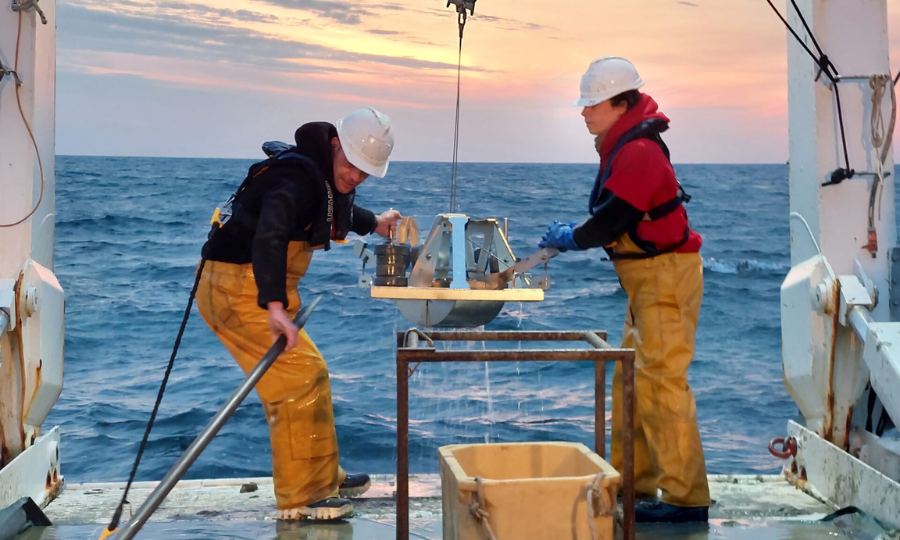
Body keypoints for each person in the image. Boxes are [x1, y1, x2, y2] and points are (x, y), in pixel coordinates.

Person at [196, 107, 402, 521]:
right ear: (335, 145)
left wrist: (376, 223)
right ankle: (303, 497)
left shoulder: (323, 180)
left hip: (261, 289)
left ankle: (323, 475)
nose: (355, 178)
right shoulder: (293, 178)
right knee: (297, 377)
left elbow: (328, 217)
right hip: (235, 289)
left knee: (314, 371)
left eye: (365, 172)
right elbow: (271, 234)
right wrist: (273, 305)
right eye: (352, 166)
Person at [538, 57, 710, 523]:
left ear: (622, 103)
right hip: (647, 279)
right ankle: (637, 482)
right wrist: (576, 233)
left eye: (593, 103)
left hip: (665, 276)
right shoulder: (628, 143)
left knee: (662, 381)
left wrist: (574, 236)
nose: (584, 112)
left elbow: (615, 218)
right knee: (631, 377)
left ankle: (685, 498)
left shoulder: (638, 151)